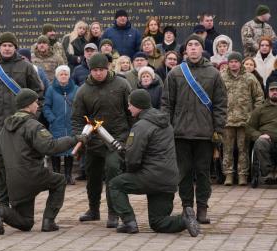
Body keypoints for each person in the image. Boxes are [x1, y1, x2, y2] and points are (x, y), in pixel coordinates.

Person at [0, 88, 80, 235]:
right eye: (36, 102)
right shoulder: (33, 125)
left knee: (26, 223)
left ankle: (1, 211)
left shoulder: (4, 130)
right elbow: (50, 147)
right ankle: (48, 221)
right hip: (33, 175)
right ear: (29, 105)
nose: (38, 106)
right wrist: (74, 139)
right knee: (59, 181)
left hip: (14, 182)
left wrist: (3, 200)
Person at [109, 89, 200, 236]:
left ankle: (129, 222)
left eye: (130, 105)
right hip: (169, 179)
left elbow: (133, 157)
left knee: (115, 184)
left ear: (138, 106)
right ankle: (184, 220)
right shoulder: (166, 123)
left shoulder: (141, 126)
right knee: (158, 222)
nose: (128, 108)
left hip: (150, 177)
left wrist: (129, 170)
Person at [161, 34, 227, 224]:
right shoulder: (175, 73)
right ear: (185, 50)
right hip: (180, 133)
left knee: (203, 172)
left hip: (205, 134)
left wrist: (218, 129)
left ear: (201, 49)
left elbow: (221, 104)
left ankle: (203, 208)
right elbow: (166, 104)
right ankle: (187, 207)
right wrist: (167, 128)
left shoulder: (213, 73)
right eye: (189, 45)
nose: (193, 48)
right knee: (184, 172)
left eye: (196, 45)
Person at [0, 32, 41, 207]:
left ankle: (20, 205)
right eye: (4, 45)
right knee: (1, 169)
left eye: (10, 45)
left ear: (15, 48)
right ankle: (3, 205)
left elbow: (38, 92)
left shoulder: (26, 67)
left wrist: (34, 117)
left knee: (21, 167)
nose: (7, 48)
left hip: (21, 127)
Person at [72, 53, 132, 228]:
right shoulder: (83, 90)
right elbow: (77, 118)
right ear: (90, 71)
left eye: (102, 70)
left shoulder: (122, 85)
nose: (98, 73)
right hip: (94, 141)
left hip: (117, 139)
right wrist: (80, 137)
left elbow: (131, 113)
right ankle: (93, 210)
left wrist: (131, 137)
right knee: (92, 176)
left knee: (113, 172)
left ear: (108, 69)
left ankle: (114, 213)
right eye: (95, 70)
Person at [221, 52, 264, 186]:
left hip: (245, 121)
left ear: (240, 63)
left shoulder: (250, 78)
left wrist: (254, 115)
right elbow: (215, 97)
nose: (233, 63)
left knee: (243, 149)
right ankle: (228, 174)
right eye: (231, 61)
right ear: (228, 63)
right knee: (227, 149)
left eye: (236, 61)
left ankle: (242, 175)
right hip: (227, 120)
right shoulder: (222, 78)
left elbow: (259, 97)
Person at [43, 65, 78, 185]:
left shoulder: (76, 89)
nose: (63, 76)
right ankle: (57, 176)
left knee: (69, 151)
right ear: (57, 76)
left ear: (69, 76)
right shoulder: (51, 90)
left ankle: (68, 176)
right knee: (55, 150)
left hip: (70, 124)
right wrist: (52, 119)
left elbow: (79, 106)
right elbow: (46, 106)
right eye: (61, 74)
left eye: (66, 74)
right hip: (56, 124)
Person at [246, 81, 277, 180]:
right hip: (268, 140)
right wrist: (259, 135)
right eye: (272, 90)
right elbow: (249, 127)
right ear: (268, 92)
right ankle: (268, 173)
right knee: (260, 142)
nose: (275, 92)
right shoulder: (260, 109)